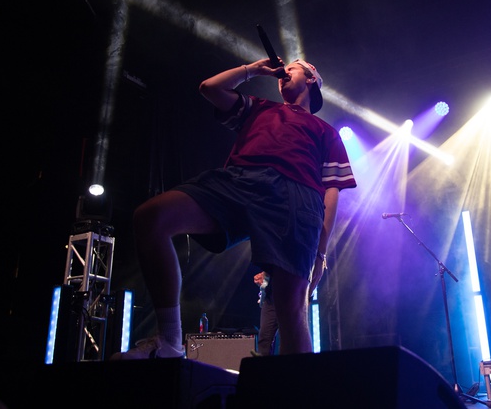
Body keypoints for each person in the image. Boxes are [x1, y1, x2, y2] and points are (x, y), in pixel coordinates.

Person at [112, 56, 356, 359]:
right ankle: (170, 342)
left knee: (291, 308)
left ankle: (296, 386)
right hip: (240, 180)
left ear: (311, 79)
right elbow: (209, 88)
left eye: (293, 68)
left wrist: (321, 252)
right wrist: (253, 70)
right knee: (151, 217)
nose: (284, 72)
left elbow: (331, 191)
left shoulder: (326, 131)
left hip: (295, 196)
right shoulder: (260, 107)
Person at [254, 270, 279, 355]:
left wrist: (308, 296)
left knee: (291, 339)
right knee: (264, 338)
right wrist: (265, 276)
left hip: (291, 295)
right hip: (271, 298)